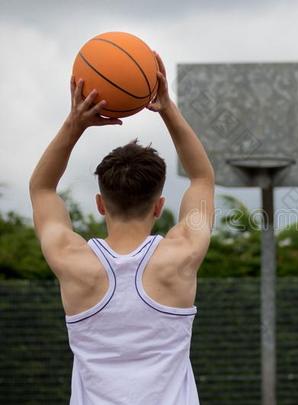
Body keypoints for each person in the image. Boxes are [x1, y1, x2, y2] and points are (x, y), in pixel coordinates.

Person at [28, 52, 214, 404]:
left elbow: (42, 189)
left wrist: (75, 123)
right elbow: (202, 177)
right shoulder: (181, 256)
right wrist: (167, 108)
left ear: (100, 204)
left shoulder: (73, 262)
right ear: (159, 207)